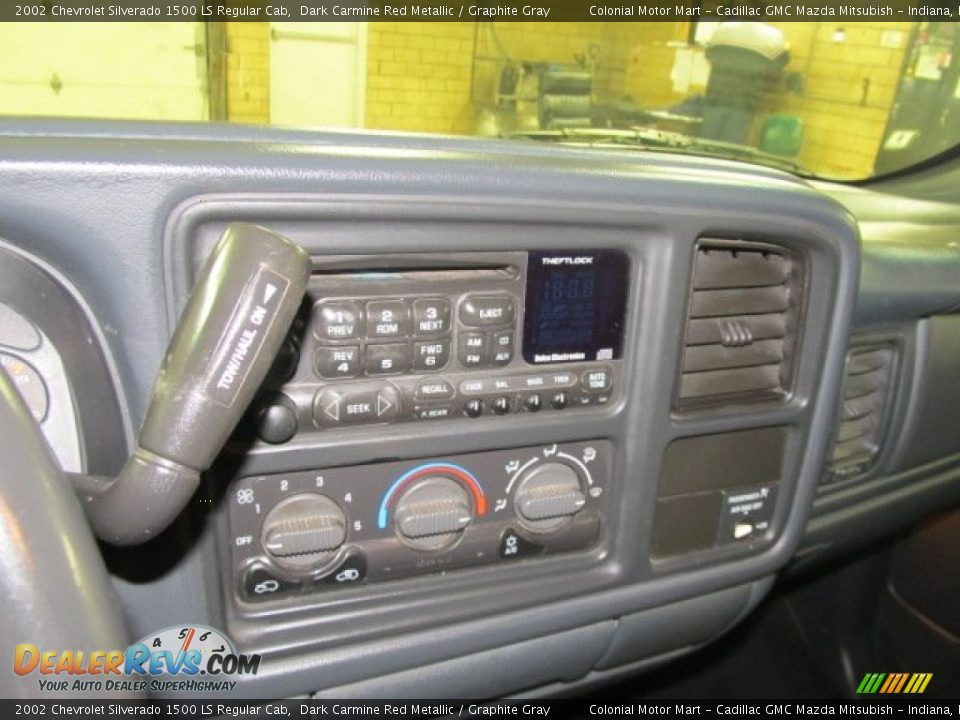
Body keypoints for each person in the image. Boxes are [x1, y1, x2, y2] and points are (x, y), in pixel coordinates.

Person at [700, 22, 790, 145]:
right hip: (744, 102)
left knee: (705, 143)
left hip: (716, 98)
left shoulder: (722, 30)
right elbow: (780, 67)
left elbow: (709, 56)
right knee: (730, 147)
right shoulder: (773, 37)